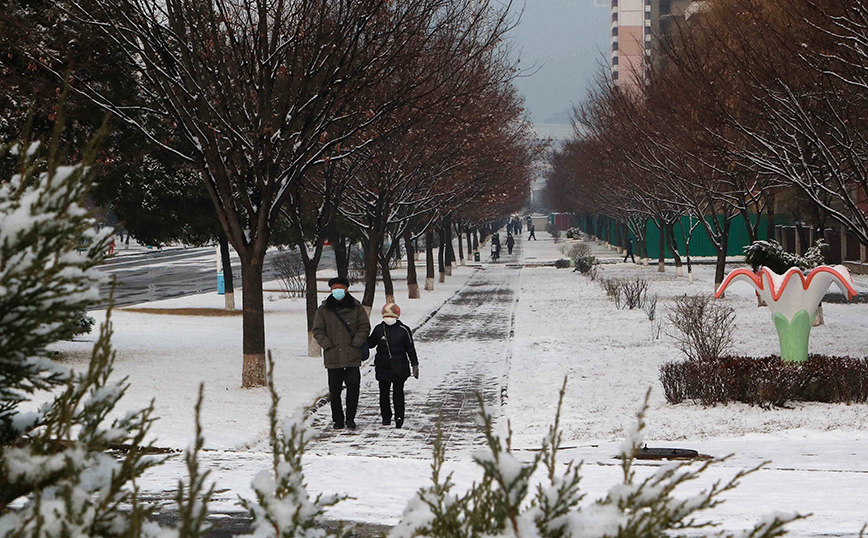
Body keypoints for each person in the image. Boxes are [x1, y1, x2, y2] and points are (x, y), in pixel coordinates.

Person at [312, 277, 371, 430]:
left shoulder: (356, 307)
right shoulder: (323, 309)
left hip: (352, 355)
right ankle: (338, 419)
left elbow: (364, 327)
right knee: (335, 390)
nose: (337, 291)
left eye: (340, 288)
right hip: (333, 356)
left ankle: (350, 418)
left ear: (346, 289)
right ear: (330, 290)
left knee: (353, 388)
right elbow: (317, 330)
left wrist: (357, 342)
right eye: (334, 288)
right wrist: (326, 345)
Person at [368, 303, 418, 428]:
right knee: (383, 393)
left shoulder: (404, 330)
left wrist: (414, 364)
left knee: (398, 392)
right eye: (387, 315)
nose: (389, 317)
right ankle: (386, 417)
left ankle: (399, 417)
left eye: (392, 315)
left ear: (397, 316)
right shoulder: (379, 329)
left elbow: (410, 348)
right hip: (382, 365)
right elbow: (370, 344)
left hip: (399, 366)